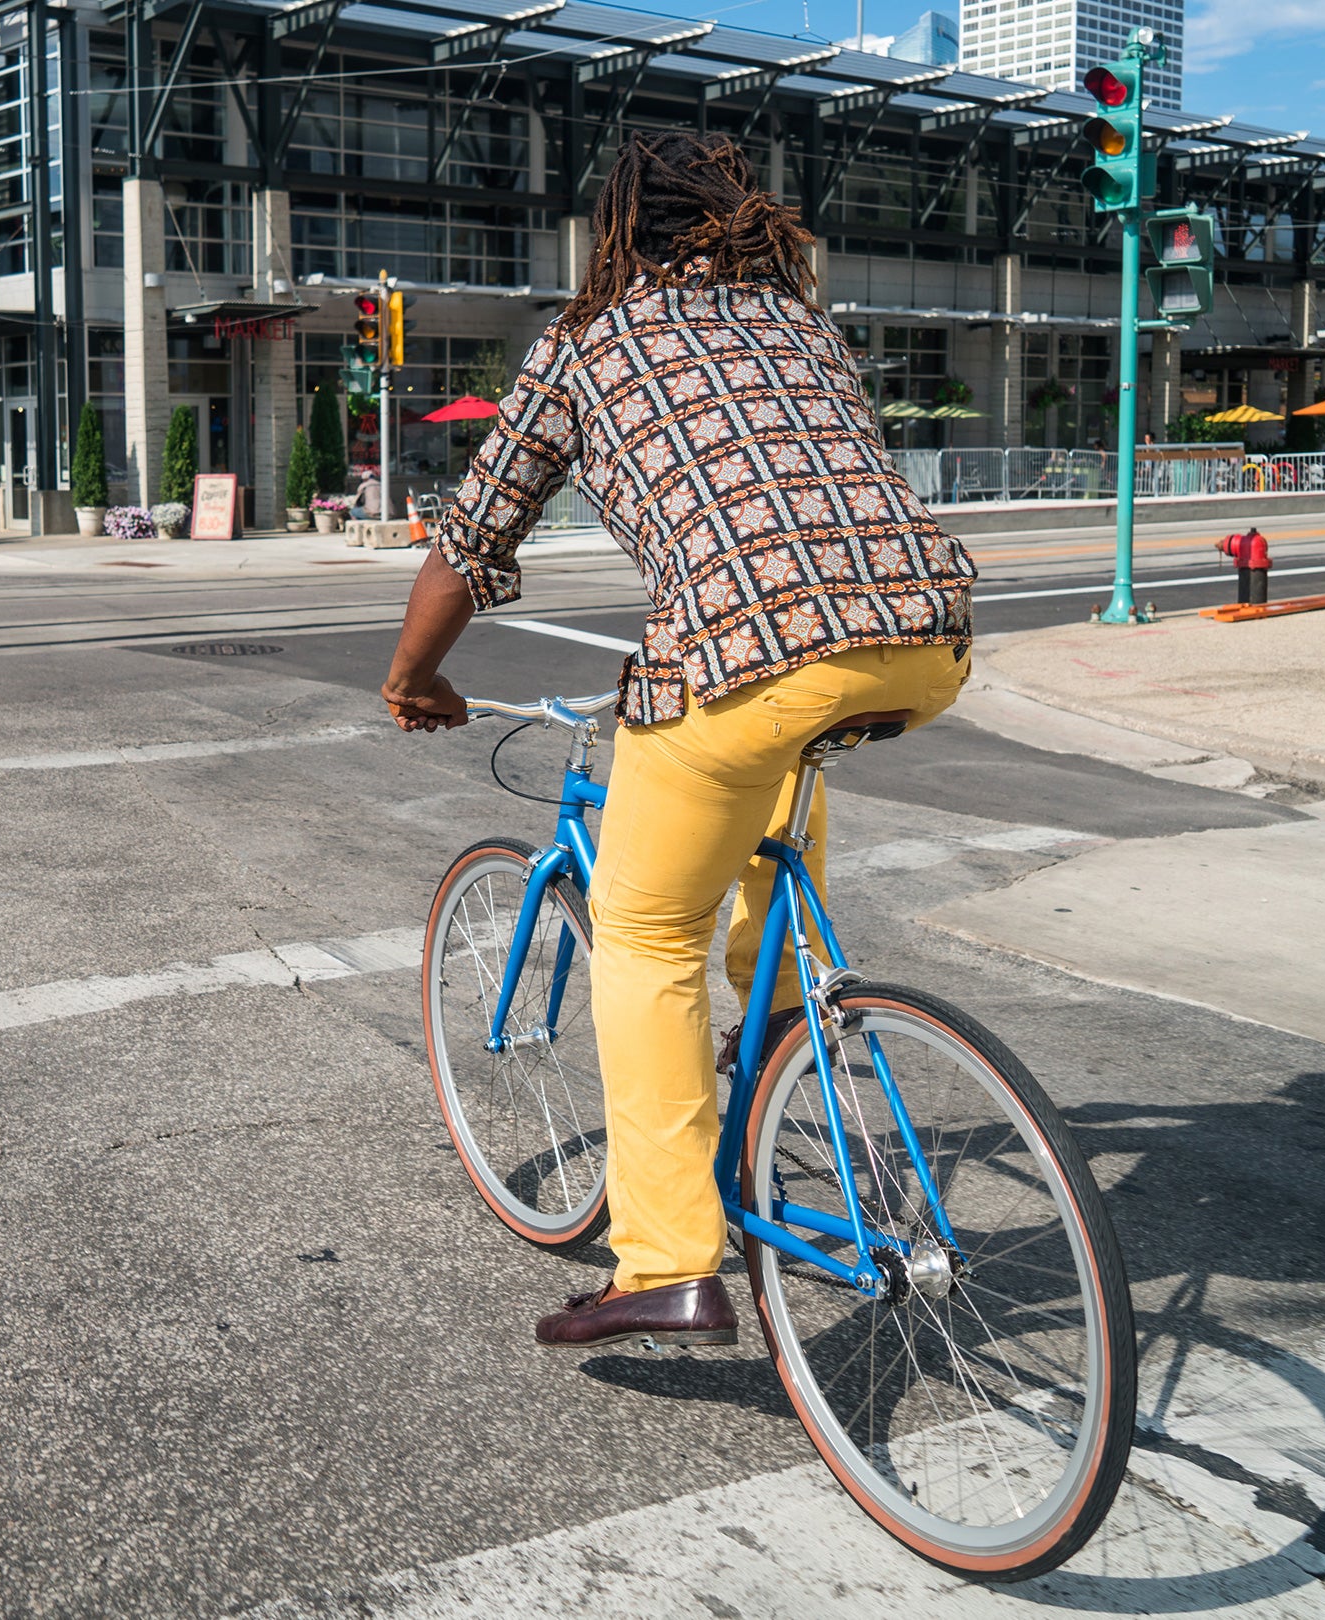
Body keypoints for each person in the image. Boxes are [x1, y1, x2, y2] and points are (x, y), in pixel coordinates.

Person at [380, 131, 976, 1351]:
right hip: (927, 633)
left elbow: (473, 537)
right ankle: (770, 1061)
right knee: (766, 801)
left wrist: (411, 676)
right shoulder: (802, 326)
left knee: (648, 938)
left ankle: (665, 1261)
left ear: (616, 230)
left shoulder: (588, 339)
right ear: (743, 218)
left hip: (746, 653)